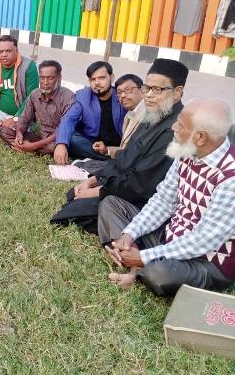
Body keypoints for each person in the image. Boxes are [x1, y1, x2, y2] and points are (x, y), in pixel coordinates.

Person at [99, 99, 235, 296]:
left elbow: (203, 240)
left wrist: (144, 257)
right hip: (169, 238)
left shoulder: (231, 178)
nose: (173, 127)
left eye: (180, 124)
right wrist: (130, 234)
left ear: (200, 137)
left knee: (160, 273)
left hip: (206, 260)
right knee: (111, 205)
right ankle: (129, 254)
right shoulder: (187, 151)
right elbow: (163, 200)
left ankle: (135, 267)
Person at [53, 59, 189, 232]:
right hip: (125, 184)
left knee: (73, 212)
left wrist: (99, 191)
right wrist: (94, 180)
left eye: (157, 90)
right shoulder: (153, 114)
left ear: (177, 92)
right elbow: (125, 156)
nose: (148, 95)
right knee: (73, 195)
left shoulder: (176, 129)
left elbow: (143, 184)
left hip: (142, 200)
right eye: (147, 88)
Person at [54, 61, 126, 164]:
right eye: (93, 79)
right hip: (91, 144)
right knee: (71, 138)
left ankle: (112, 155)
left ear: (112, 77)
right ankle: (111, 159)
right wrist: (61, 144)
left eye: (101, 78)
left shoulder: (121, 95)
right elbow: (69, 119)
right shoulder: (83, 96)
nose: (97, 83)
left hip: (117, 144)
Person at [0, 35, 39, 141]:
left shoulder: (28, 66)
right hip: (0, 113)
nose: (4, 54)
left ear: (16, 51)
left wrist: (15, 118)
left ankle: (13, 128)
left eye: (8, 51)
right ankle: (1, 128)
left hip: (22, 114)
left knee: (18, 138)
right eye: (0, 52)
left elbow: (32, 96)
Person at [6, 60, 75, 155]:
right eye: (42, 78)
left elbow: (63, 130)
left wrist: (34, 145)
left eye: (50, 78)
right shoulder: (35, 94)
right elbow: (24, 119)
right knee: (5, 131)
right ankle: (26, 147)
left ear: (59, 78)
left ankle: (25, 148)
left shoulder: (68, 97)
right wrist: (19, 134)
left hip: (57, 139)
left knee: (53, 147)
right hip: (40, 136)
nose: (45, 82)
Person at [92, 73, 144, 159]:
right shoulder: (128, 115)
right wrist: (106, 150)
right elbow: (125, 149)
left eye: (128, 90)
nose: (122, 95)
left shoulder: (149, 115)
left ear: (142, 90)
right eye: (119, 92)